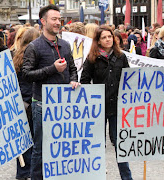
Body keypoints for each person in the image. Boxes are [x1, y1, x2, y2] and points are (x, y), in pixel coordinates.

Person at [22, 4, 79, 180]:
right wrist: (52, 69)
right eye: (53, 19)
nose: (57, 23)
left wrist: (74, 79)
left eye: (59, 19)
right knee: (40, 148)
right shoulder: (34, 47)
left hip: (64, 103)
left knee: (62, 146)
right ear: (43, 21)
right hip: (42, 104)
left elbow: (73, 68)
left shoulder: (65, 45)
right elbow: (27, 74)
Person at [80, 25, 133, 180]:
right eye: (103, 37)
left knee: (120, 144)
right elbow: (84, 80)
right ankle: (97, 175)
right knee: (97, 144)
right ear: (98, 40)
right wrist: (92, 99)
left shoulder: (121, 56)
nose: (108, 39)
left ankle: (127, 177)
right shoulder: (92, 58)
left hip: (117, 107)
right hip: (98, 109)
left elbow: (128, 80)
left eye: (109, 36)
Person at [13, 27, 40, 180]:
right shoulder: (34, 57)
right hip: (31, 101)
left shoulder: (17, 56)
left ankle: (23, 173)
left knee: (24, 142)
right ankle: (31, 173)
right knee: (35, 140)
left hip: (21, 103)